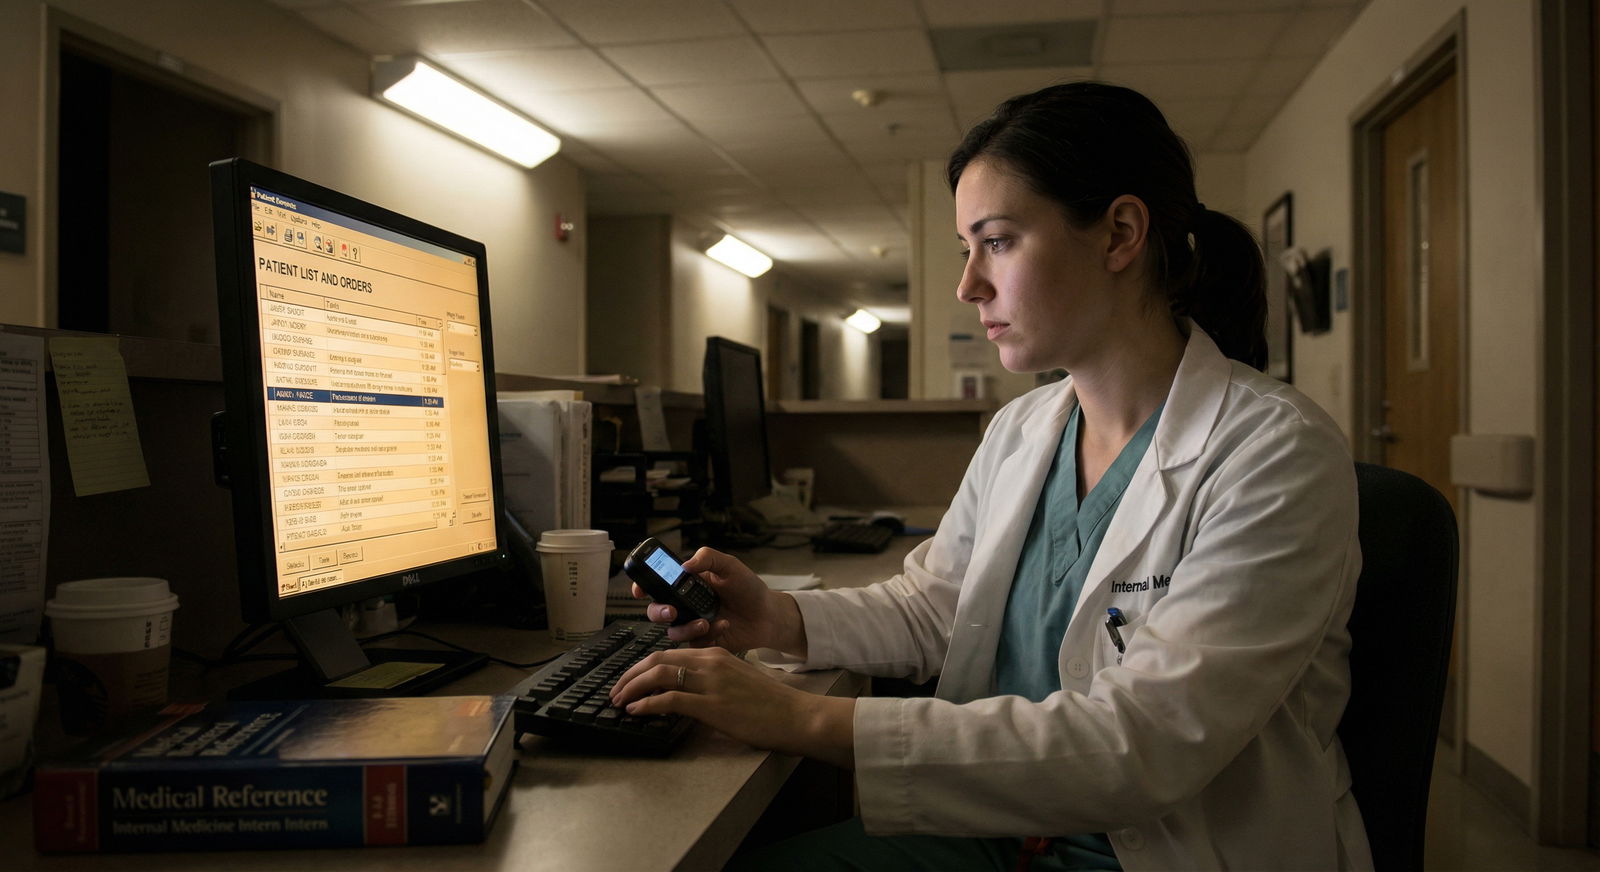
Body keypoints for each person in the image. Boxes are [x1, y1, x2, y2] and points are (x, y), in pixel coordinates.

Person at [610, 81, 1369, 872]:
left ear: (1119, 234)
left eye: (997, 242)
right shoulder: (1023, 430)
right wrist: (775, 618)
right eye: (967, 249)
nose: (970, 284)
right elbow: (938, 608)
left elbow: (1141, 745)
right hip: (1000, 834)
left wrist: (799, 719)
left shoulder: (1274, 452)